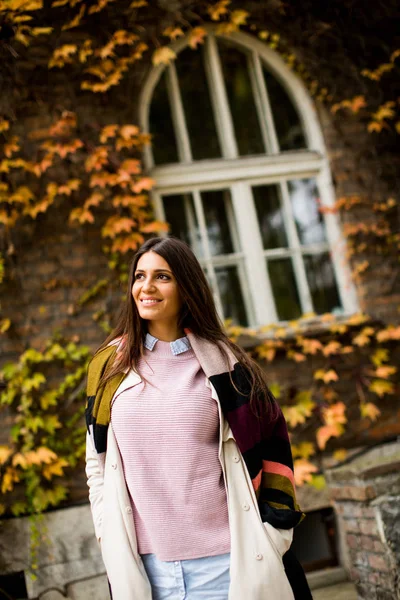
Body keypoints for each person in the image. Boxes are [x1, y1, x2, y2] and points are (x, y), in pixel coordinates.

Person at [85, 236, 313, 600]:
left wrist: (275, 531)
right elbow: (97, 463)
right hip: (145, 570)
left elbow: (274, 451)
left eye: (162, 277)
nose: (146, 287)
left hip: (227, 564)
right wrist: (105, 529)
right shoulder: (108, 366)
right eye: (139, 276)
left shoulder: (228, 365)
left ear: (186, 287)